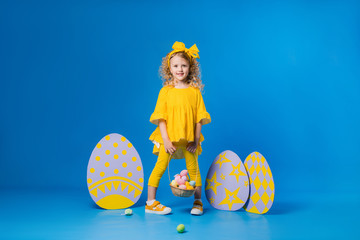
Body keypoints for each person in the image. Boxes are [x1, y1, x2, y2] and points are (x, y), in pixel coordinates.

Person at [145, 41, 211, 215]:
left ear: (190, 68)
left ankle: (197, 202)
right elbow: (161, 118)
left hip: (189, 140)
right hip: (169, 139)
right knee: (159, 167)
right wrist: (166, 140)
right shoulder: (165, 91)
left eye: (183, 65)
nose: (180, 69)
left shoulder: (195, 92)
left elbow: (199, 119)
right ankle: (150, 203)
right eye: (175, 66)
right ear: (169, 68)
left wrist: (196, 141)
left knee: (194, 170)